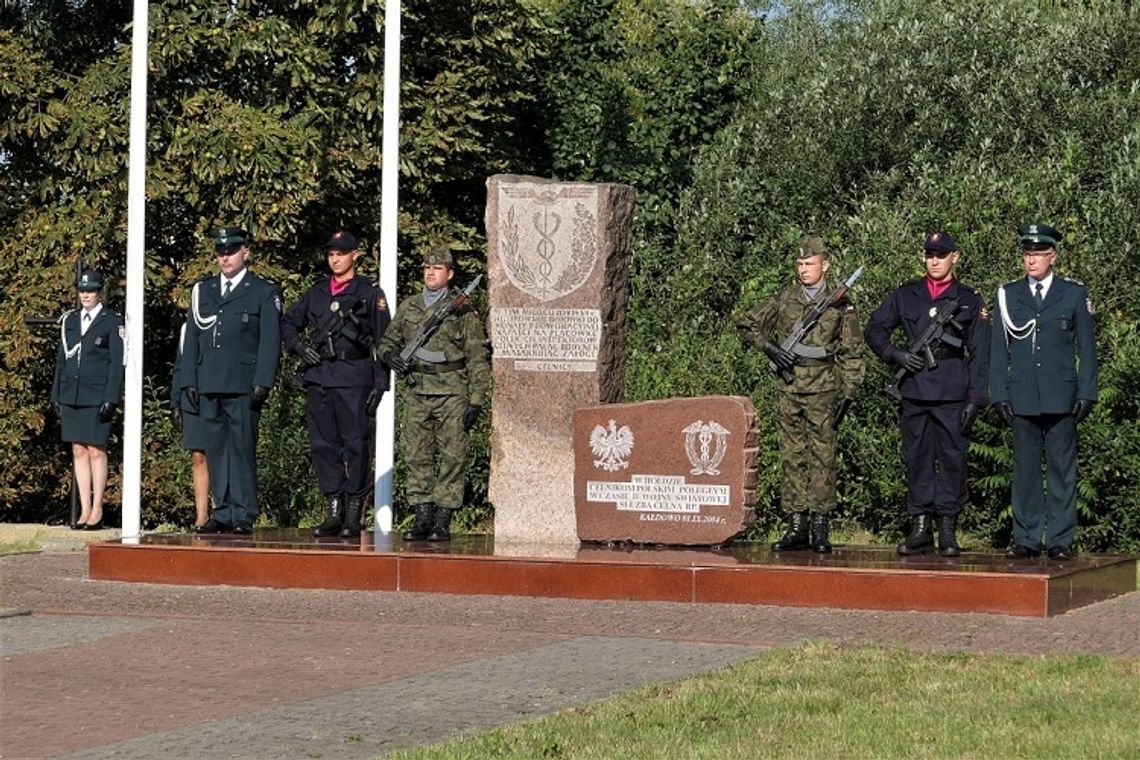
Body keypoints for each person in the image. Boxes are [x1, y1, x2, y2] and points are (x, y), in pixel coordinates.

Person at [864, 232, 991, 557]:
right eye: (930, 254)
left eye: (942, 254)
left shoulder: (969, 299)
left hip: (952, 390)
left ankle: (947, 528)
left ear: (955, 257)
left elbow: (980, 351)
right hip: (915, 390)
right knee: (917, 458)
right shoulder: (906, 295)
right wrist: (895, 354)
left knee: (952, 459)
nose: (935, 260)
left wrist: (977, 397)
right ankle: (920, 527)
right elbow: (874, 328)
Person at [736, 235, 865, 553]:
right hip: (789, 387)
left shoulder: (840, 304)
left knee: (823, 457)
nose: (804, 269)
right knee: (792, 457)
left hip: (823, 389)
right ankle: (797, 524)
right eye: (800, 264)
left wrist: (849, 393)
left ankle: (820, 527)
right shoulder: (784, 298)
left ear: (825, 264)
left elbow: (852, 351)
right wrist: (771, 349)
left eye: (809, 263)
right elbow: (746, 324)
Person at [990, 223, 1098, 560]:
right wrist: (999, 393)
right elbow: (998, 350)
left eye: (1038, 253)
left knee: (1062, 471)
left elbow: (1087, 348)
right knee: (1024, 471)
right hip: (1022, 396)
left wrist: (1087, 392)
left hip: (1061, 396)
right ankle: (1026, 537)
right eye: (1026, 254)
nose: (1031, 260)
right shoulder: (1009, 295)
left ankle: (1060, 540)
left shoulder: (1073, 294)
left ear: (1053, 256)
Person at [281, 230, 392, 538]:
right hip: (320, 377)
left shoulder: (369, 293)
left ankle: (353, 513)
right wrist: (299, 347)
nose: (335, 259)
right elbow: (289, 322)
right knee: (323, 445)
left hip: (355, 377)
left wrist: (380, 384)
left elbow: (385, 340)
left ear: (355, 255)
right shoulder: (317, 291)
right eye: (331, 254)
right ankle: (333, 509)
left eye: (341, 254)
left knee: (356, 445)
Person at [378, 246, 490, 542]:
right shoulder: (410, 306)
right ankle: (422, 515)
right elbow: (387, 341)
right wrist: (390, 357)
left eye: (437, 268)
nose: (430, 272)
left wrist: (477, 399)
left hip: (452, 391)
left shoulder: (462, 311)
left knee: (453, 455)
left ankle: (443, 517)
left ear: (450, 275)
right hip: (417, 391)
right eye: (427, 268)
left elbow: (477, 357)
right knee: (416, 454)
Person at [180, 227, 282, 535]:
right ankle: (222, 510)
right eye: (221, 252)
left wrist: (263, 379)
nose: (226, 257)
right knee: (216, 450)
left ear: (245, 253)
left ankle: (243, 512)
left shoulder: (263, 291)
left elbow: (270, 341)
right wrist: (188, 380)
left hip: (242, 382)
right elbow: (193, 339)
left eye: (232, 251)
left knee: (241, 448)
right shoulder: (204, 290)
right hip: (209, 381)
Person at [52, 269, 124, 530]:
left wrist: (111, 397)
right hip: (72, 393)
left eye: (91, 290)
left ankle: (97, 508)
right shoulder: (70, 321)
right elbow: (62, 361)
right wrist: (56, 395)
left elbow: (117, 364)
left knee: (96, 450)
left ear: (99, 292)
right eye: (82, 290)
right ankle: (84, 509)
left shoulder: (111, 321)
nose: (86, 295)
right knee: (78, 450)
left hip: (97, 395)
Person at [171, 321, 211, 529]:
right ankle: (201, 515)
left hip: (217, 393)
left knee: (222, 455)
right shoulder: (187, 327)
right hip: (192, 397)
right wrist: (175, 401)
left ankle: (224, 510)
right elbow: (181, 365)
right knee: (198, 455)